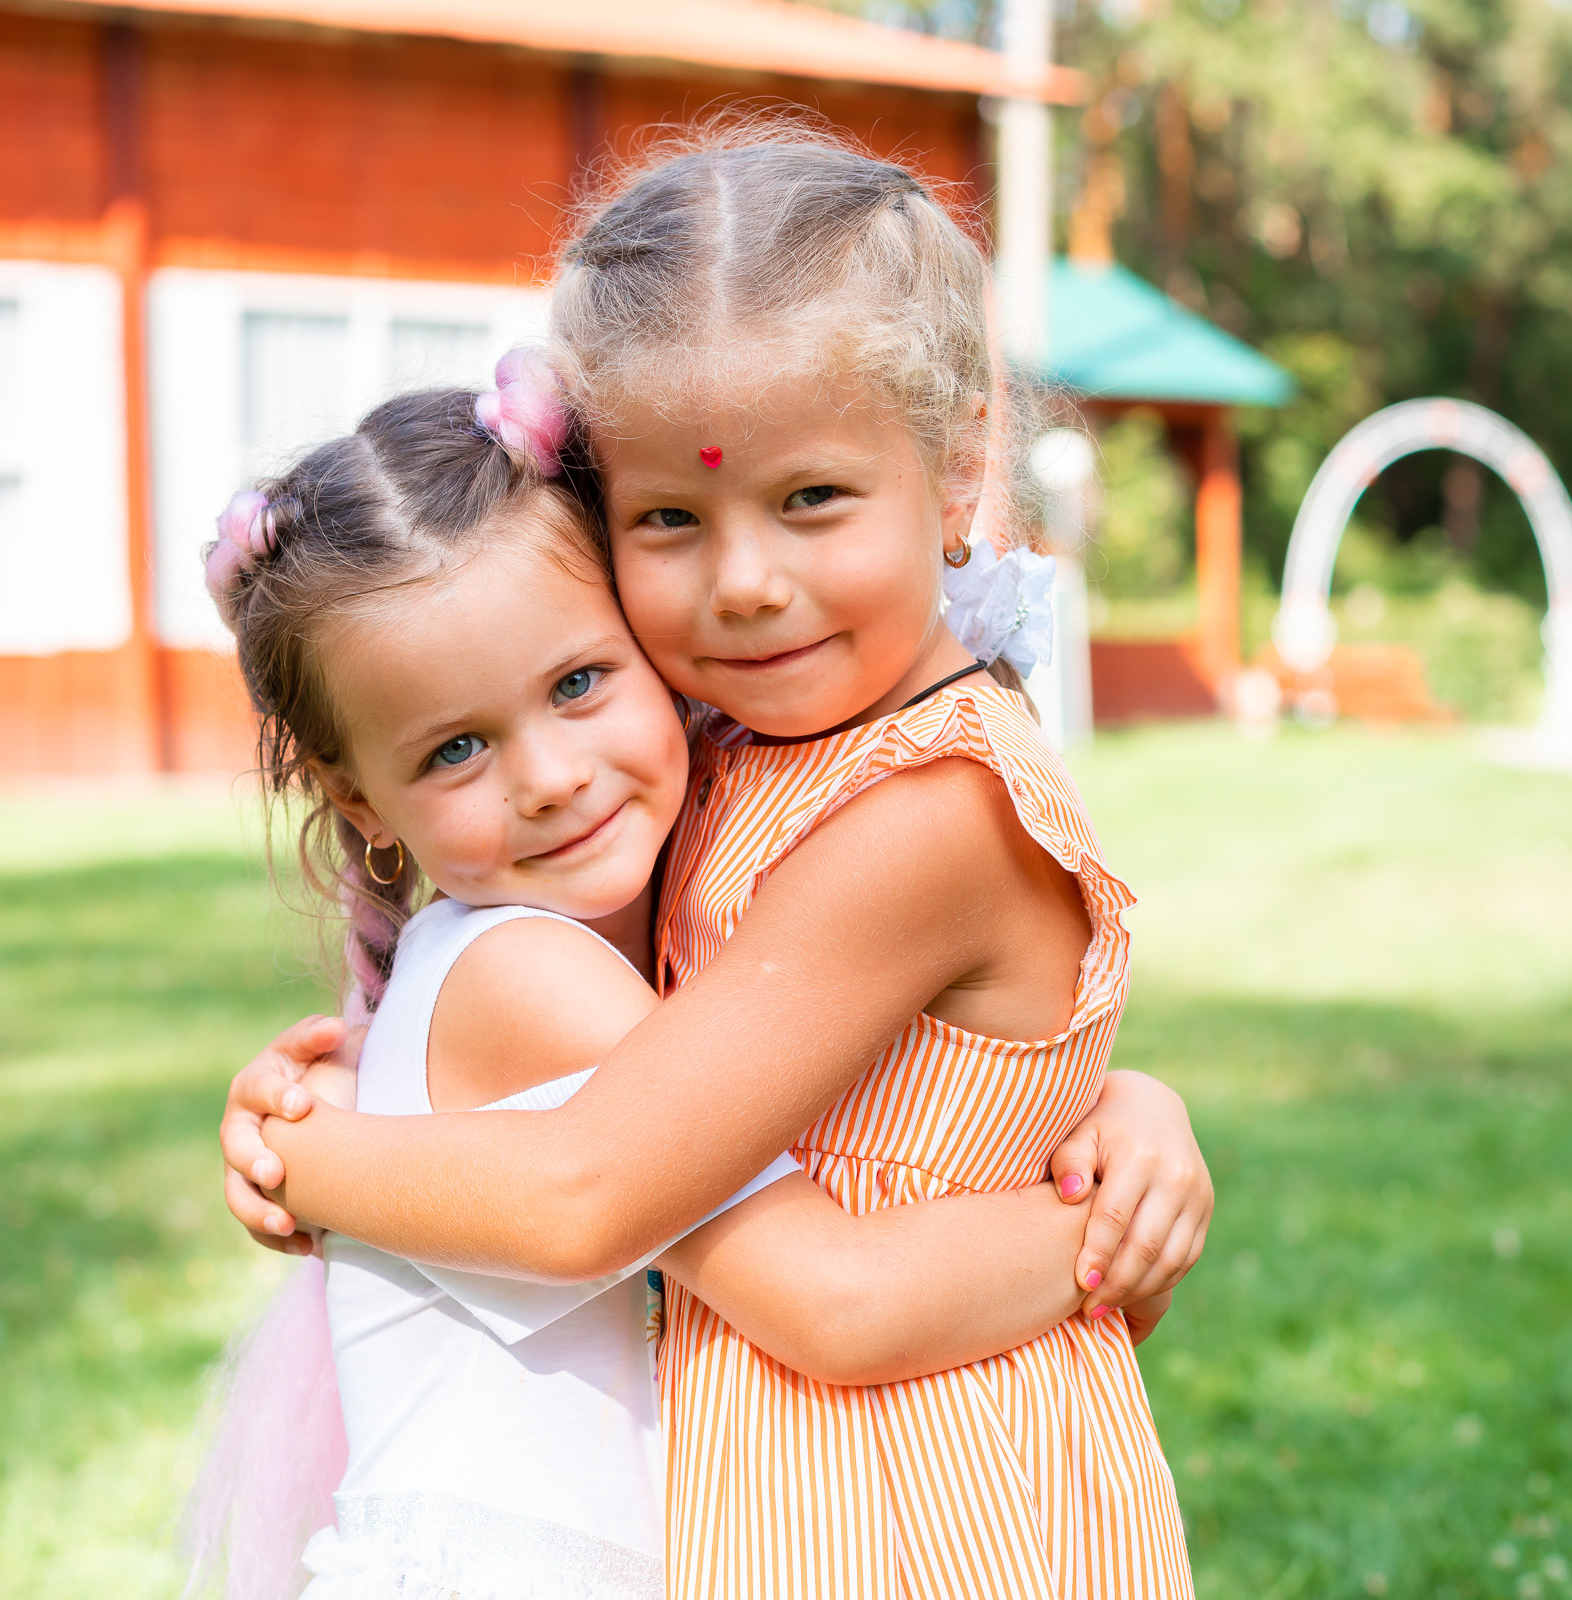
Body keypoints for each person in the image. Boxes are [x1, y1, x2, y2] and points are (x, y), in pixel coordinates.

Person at [219, 127, 1209, 1599]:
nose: (745, 584)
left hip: (920, 1497)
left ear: (959, 467)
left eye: (811, 500)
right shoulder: (740, 752)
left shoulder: (927, 811)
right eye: (671, 519)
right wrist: (1115, 1105)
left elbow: (597, 1186)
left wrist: (305, 1159)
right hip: (790, 1479)